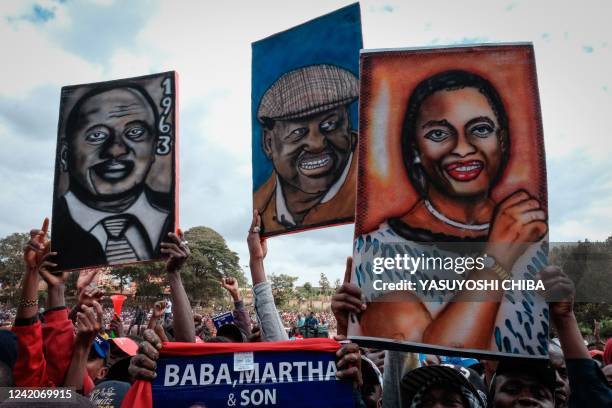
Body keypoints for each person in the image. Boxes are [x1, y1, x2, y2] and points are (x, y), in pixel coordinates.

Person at [353, 70, 548, 353]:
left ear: (502, 140)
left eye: (480, 129)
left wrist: (563, 315)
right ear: (415, 149)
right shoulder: (376, 252)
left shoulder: (534, 241)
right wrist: (497, 260)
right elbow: (435, 368)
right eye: (438, 134)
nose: (462, 148)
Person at [53, 83, 174, 270]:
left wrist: (174, 275)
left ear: (154, 147)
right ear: (64, 155)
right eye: (97, 135)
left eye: (135, 132)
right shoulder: (57, 238)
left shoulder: (169, 220)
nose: (116, 150)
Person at [254, 64, 358, 234]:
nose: (317, 144)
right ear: (268, 143)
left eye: (329, 124)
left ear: (347, 125)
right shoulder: (261, 210)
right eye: (298, 132)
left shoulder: (380, 191)